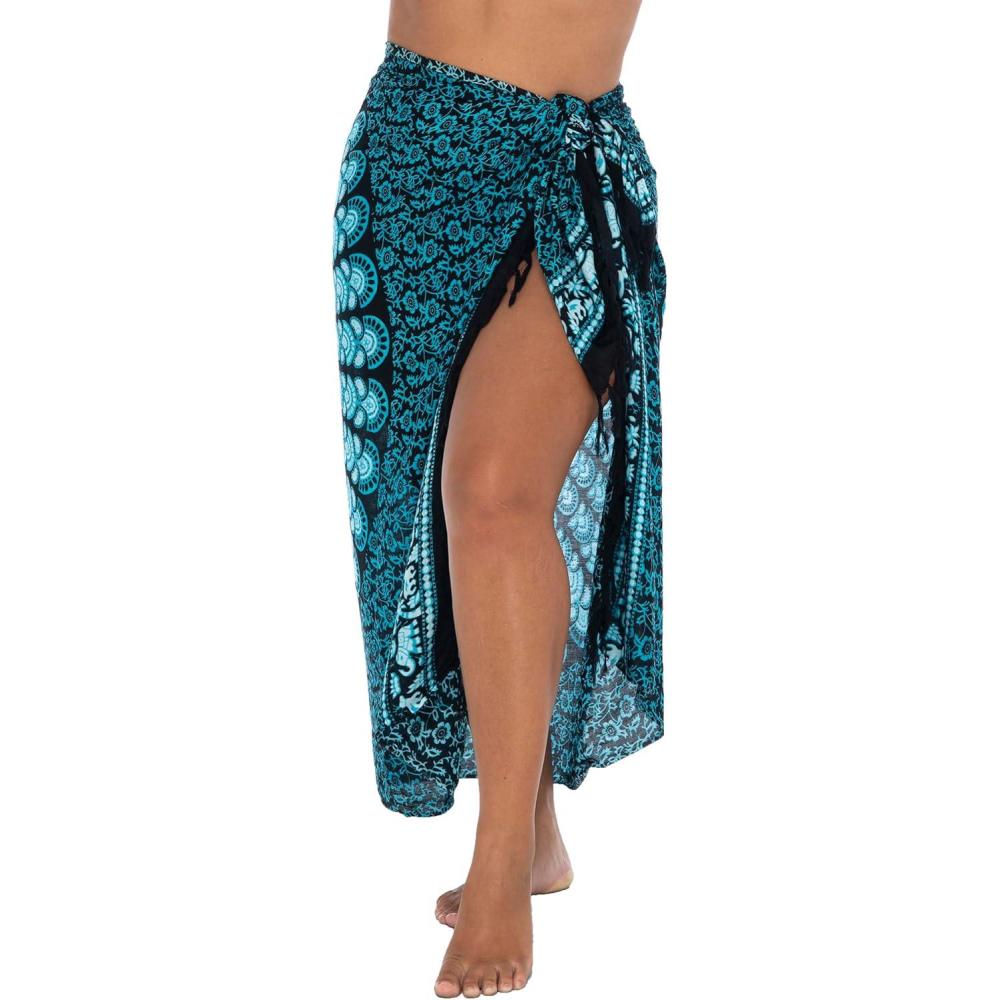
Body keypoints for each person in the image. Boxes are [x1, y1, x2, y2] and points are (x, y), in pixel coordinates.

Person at [332, 2, 665, 994]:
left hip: (564, 159)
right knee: (425, 534)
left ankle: (498, 865)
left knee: (490, 492)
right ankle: (533, 826)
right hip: (406, 149)